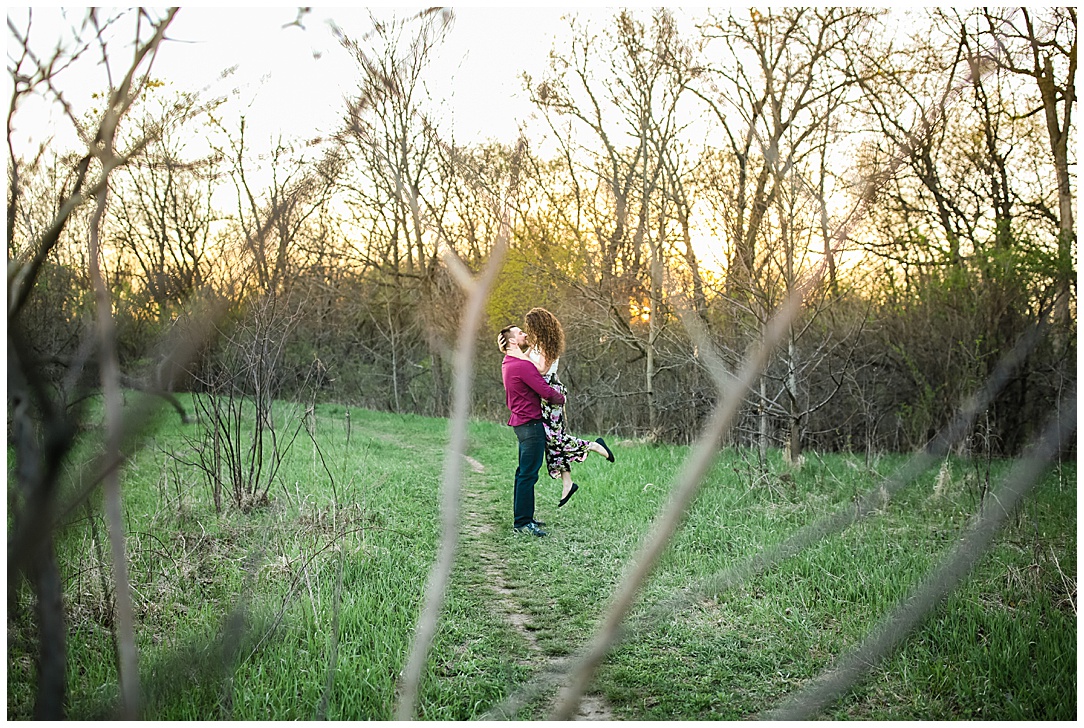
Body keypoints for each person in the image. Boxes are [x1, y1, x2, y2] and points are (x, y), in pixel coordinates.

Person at [522, 307, 614, 508]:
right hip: (542, 394)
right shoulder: (538, 343)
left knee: (555, 439)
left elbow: (542, 369)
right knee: (551, 441)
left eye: (530, 326)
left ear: (538, 325)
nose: (527, 329)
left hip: (550, 392)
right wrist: (527, 351)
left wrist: (524, 360)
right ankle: (567, 483)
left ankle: (594, 446)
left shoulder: (548, 344)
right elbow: (527, 360)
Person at [498, 324, 566, 537]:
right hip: (530, 424)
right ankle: (523, 523)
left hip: (522, 423)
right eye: (520, 333)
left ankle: (525, 517)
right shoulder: (521, 366)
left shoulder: (508, 362)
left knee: (524, 473)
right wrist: (562, 398)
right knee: (528, 474)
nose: (524, 334)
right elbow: (545, 391)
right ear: (511, 341)